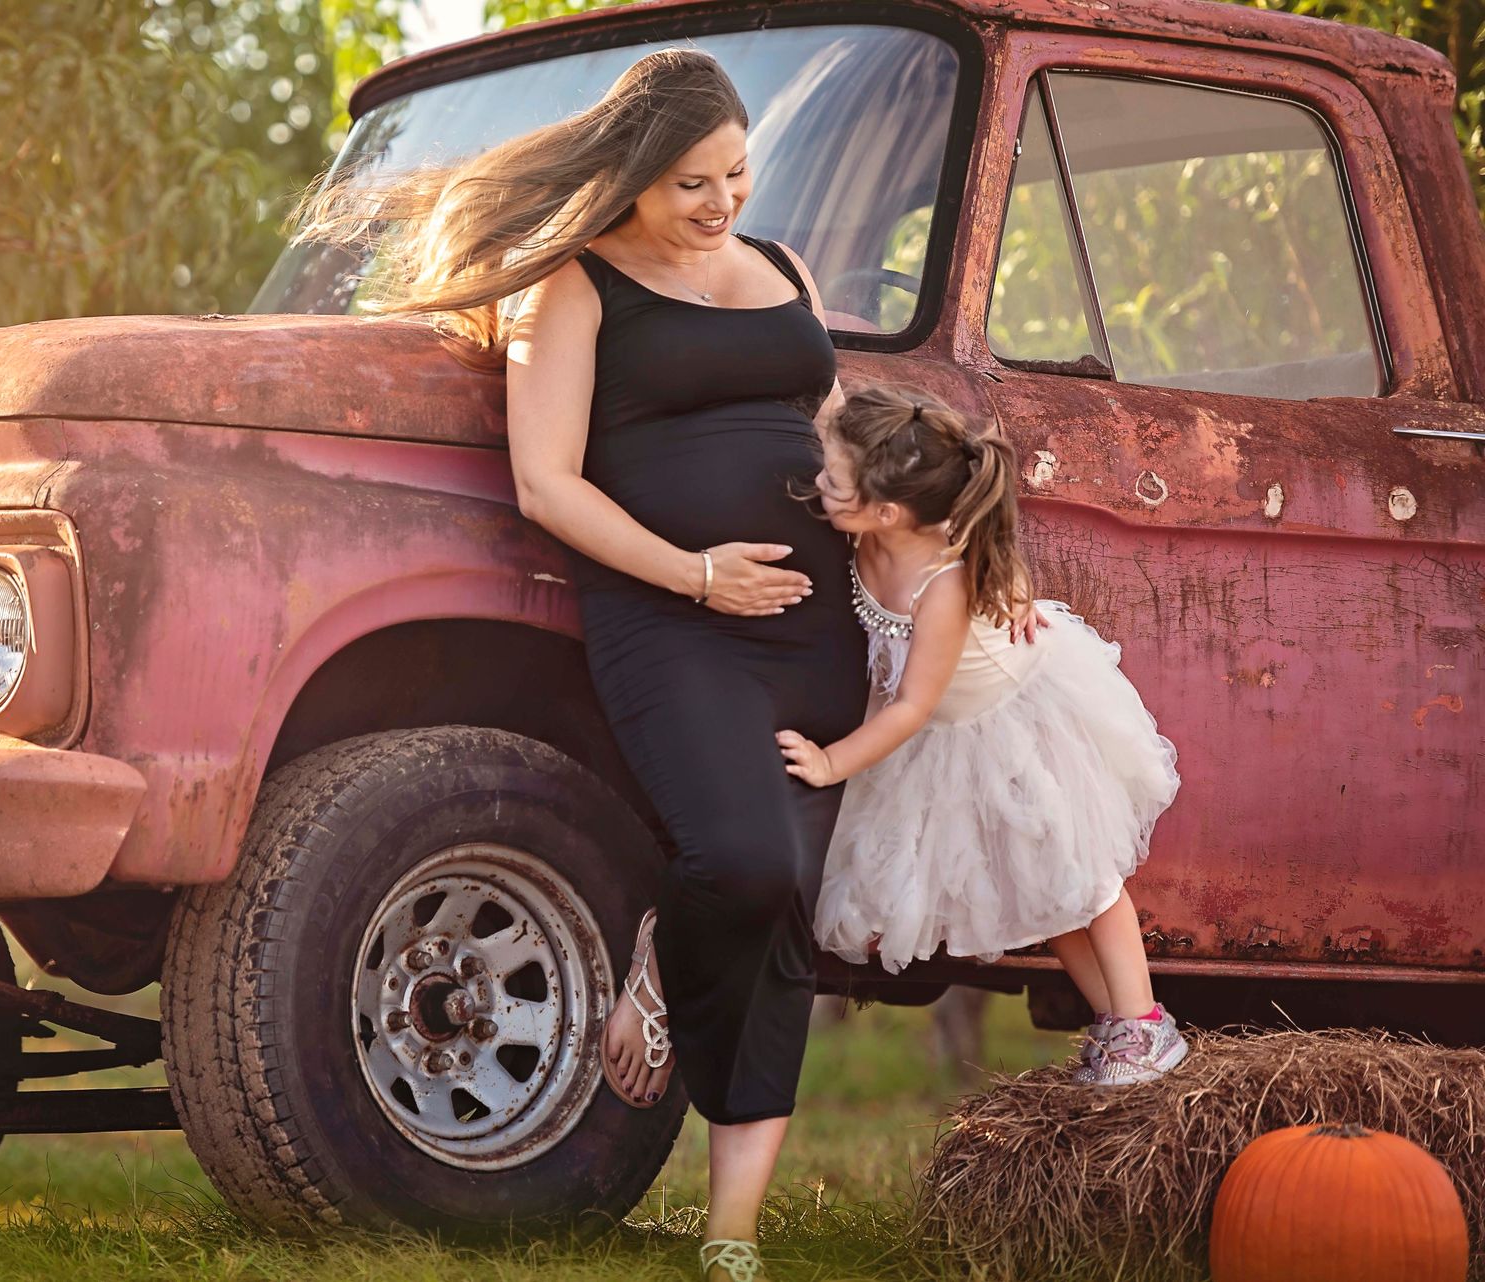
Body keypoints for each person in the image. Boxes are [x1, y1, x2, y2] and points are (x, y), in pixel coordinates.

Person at [294, 48, 860, 1280]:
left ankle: (734, 1234)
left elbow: (833, 434)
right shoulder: (575, 286)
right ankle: (661, 948)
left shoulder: (785, 273)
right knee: (744, 862)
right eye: (694, 182)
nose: (724, 202)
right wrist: (699, 573)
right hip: (676, 622)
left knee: (781, 914)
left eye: (738, 172)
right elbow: (548, 484)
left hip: (815, 626)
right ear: (634, 177)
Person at [776, 384, 1187, 1087]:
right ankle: (1113, 1025)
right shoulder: (877, 530)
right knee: (1048, 896)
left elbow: (908, 708)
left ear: (886, 512)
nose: (820, 482)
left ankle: (1147, 1023)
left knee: (1087, 883)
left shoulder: (940, 584)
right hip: (954, 732)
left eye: (833, 478)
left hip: (1014, 724)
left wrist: (830, 763)